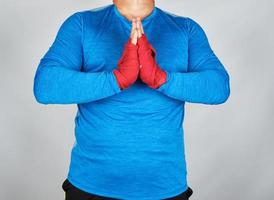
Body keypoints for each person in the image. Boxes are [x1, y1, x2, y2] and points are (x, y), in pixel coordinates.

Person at [33, 0, 230, 199]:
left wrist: (160, 78)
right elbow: (45, 86)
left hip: (164, 189)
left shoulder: (185, 29)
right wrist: (117, 79)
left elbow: (219, 87)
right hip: (90, 187)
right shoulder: (82, 24)